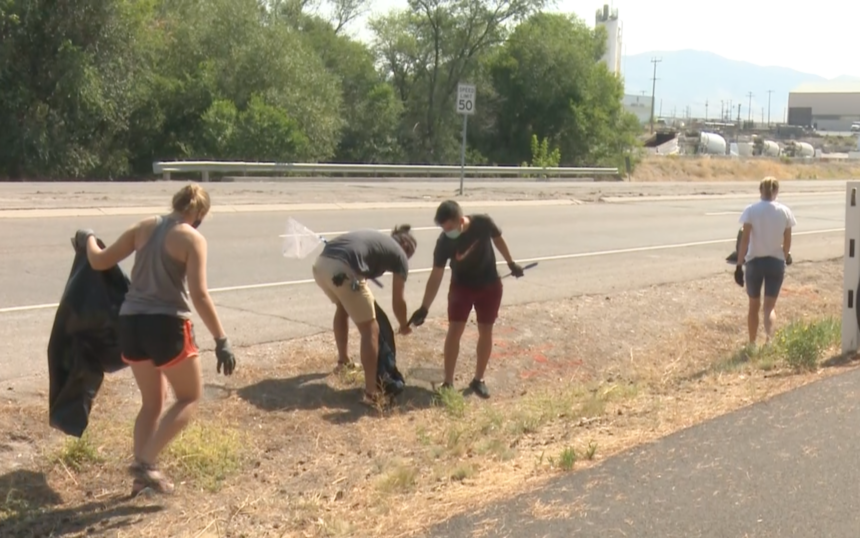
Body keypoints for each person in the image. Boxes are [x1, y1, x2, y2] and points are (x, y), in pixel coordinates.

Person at [74, 183, 236, 496]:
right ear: (199, 213)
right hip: (167, 326)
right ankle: (145, 463)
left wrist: (87, 238)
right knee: (189, 397)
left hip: (131, 324)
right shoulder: (192, 238)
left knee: (152, 403)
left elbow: (99, 261)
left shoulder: (144, 226)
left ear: (175, 203)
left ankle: (141, 483)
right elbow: (200, 295)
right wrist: (221, 338)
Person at [408, 200, 524, 398]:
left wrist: (511, 263)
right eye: (444, 228)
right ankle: (448, 382)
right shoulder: (444, 242)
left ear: (461, 220)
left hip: (489, 285)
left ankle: (478, 380)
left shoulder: (483, 222)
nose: (447, 232)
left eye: (450, 228)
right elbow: (436, 275)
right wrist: (424, 308)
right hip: (461, 287)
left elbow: (498, 240)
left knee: (486, 330)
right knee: (454, 330)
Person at [311, 225, 417, 403]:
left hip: (321, 265)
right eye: (410, 254)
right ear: (405, 245)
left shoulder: (378, 242)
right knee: (371, 329)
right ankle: (371, 391)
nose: (408, 258)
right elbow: (398, 300)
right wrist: (404, 325)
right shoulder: (399, 255)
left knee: (342, 307)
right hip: (342, 268)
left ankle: (343, 362)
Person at [734, 177, 796, 346]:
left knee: (753, 306)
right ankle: (769, 340)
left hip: (755, 262)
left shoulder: (751, 210)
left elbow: (745, 239)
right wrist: (785, 255)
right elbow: (788, 240)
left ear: (760, 190)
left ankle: (752, 343)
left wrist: (739, 264)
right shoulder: (784, 211)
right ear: (776, 191)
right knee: (769, 307)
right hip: (775, 262)